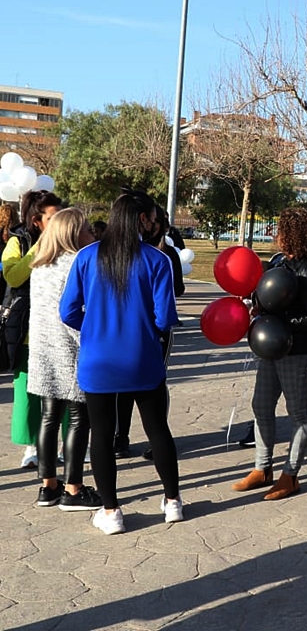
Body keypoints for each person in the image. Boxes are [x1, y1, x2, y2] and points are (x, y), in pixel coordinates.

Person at [59, 190, 181, 534]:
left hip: (98, 359)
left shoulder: (86, 257)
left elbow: (67, 310)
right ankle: (173, 502)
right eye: (152, 218)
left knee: (101, 433)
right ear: (142, 220)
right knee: (158, 429)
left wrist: (95, 327)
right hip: (142, 357)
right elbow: (165, 317)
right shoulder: (158, 261)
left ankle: (111, 512)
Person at [232, 208, 307, 501]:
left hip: (296, 351)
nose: (277, 237)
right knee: (261, 405)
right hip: (270, 347)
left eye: (281, 231)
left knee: (298, 413)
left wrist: (283, 322)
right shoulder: (278, 262)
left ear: (294, 235)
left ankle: (291, 475)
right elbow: (265, 294)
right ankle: (262, 468)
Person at [28, 207, 101, 511]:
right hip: (70, 349)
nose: (92, 234)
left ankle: (48, 486)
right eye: (86, 229)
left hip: (43, 350)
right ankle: (74, 488)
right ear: (72, 233)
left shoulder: (40, 265)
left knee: (48, 418)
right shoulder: (78, 264)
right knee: (77, 419)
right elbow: (78, 312)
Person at [114, 204, 183, 461]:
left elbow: (178, 289)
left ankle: (147, 438)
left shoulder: (166, 255)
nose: (149, 225)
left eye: (154, 221)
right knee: (133, 385)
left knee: (148, 383)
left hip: (148, 330)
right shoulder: (131, 254)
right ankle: (127, 438)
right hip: (139, 328)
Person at [5, 189, 63, 469]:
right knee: (27, 392)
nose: (58, 221)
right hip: (26, 331)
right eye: (52, 217)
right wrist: (37, 250)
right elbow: (13, 276)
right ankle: (31, 446)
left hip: (61, 330)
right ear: (35, 219)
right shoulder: (18, 241)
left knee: (65, 388)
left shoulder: (68, 240)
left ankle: (67, 444)